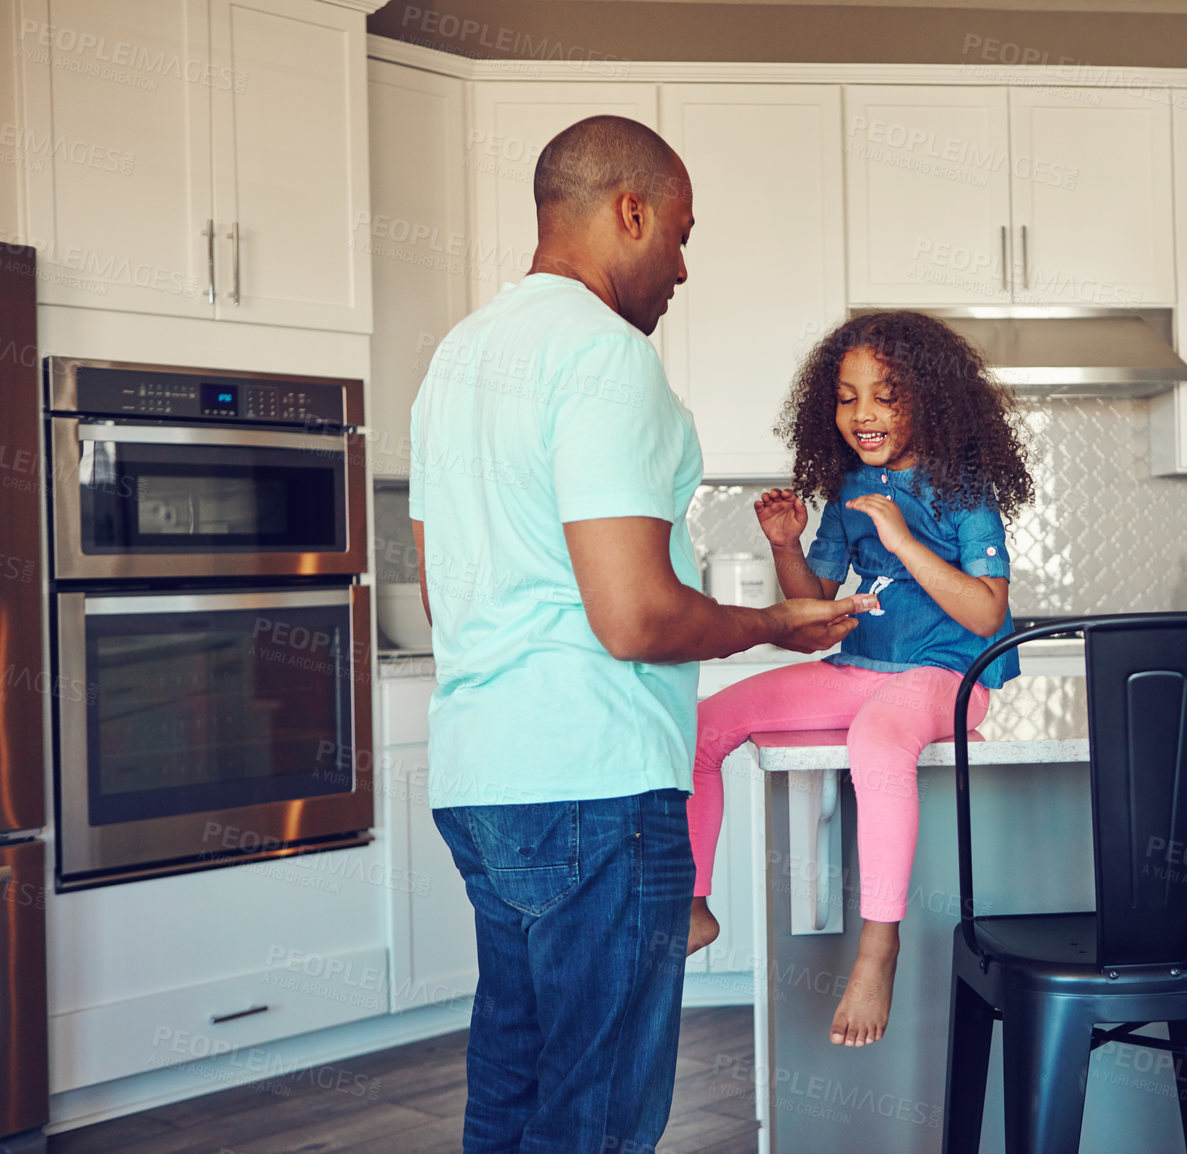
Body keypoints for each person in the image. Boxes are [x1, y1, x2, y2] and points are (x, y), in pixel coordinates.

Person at [408, 115, 874, 1154]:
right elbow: (634, 617)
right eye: (678, 231)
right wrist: (772, 620)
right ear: (629, 211)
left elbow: (450, 595)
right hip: (593, 779)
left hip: (481, 778)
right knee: (599, 1110)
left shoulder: (460, 357)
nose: (682, 265)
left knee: (516, 1079)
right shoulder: (605, 358)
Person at [685, 311, 1035, 1047]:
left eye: (885, 394)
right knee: (702, 723)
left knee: (879, 741)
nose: (863, 414)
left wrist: (902, 540)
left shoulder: (965, 488)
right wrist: (784, 546)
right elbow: (811, 611)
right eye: (846, 398)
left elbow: (985, 613)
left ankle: (879, 943)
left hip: (949, 675)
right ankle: (693, 902)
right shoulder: (849, 488)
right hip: (860, 668)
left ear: (933, 399)